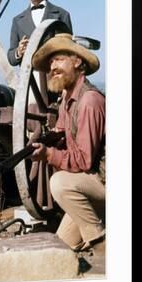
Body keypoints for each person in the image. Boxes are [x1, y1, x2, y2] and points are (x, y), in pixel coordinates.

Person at [30, 33, 105, 253]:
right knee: (62, 248)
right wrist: (46, 139)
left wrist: (48, 155)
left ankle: (102, 243)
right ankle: (98, 222)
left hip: (106, 180)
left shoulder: (89, 100)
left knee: (60, 182)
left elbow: (83, 160)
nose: (53, 66)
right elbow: (61, 132)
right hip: (91, 184)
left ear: (77, 61)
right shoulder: (66, 100)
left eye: (59, 59)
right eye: (51, 62)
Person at [7, 0, 73, 66]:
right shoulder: (17, 20)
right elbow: (11, 58)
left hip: (54, 76)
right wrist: (19, 51)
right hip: (30, 79)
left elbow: (70, 51)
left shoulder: (62, 15)